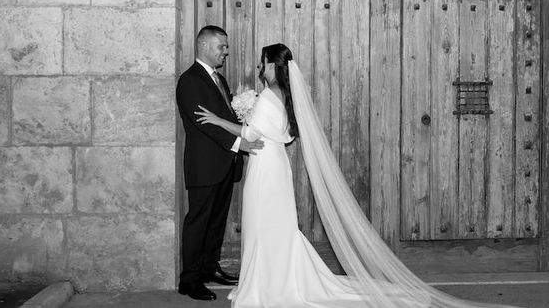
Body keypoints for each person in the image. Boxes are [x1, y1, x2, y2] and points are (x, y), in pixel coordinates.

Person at [195, 43, 519, 308]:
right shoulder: (285, 98)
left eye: (262, 64)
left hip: (265, 170)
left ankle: (265, 285)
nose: (259, 68)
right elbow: (284, 136)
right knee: (276, 227)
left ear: (271, 67)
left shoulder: (267, 97)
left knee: (263, 225)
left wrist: (217, 119)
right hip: (277, 166)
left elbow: (250, 136)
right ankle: (274, 278)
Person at [176, 25, 264, 301]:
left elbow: (227, 118)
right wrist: (240, 144)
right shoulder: (190, 81)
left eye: (226, 47)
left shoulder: (220, 80)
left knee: (216, 222)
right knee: (198, 222)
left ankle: (209, 268)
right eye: (221, 46)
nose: (225, 52)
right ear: (204, 46)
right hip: (204, 165)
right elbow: (204, 124)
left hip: (225, 164)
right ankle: (189, 280)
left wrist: (247, 127)